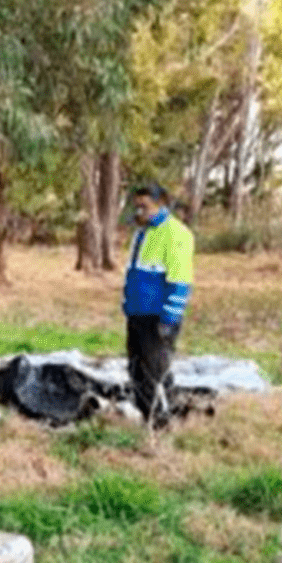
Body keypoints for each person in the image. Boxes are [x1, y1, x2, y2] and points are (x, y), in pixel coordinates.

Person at [122, 183, 194, 428]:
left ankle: (162, 423)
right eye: (137, 206)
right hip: (137, 313)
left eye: (145, 206)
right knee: (136, 369)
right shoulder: (141, 234)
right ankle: (150, 416)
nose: (139, 211)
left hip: (157, 316)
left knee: (156, 372)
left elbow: (179, 280)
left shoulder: (176, 234)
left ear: (162, 204)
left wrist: (169, 318)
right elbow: (134, 273)